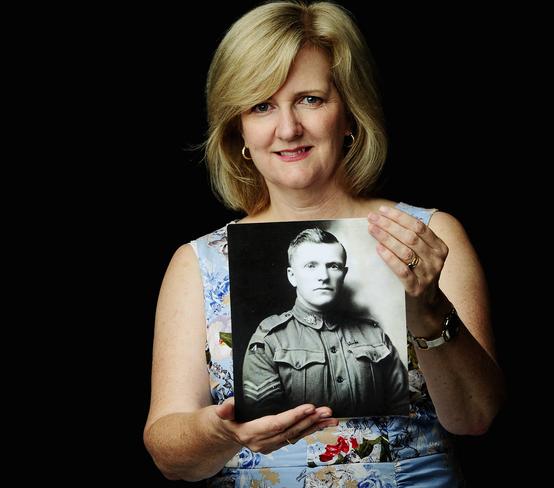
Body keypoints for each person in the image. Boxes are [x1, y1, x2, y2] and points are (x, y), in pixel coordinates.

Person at [144, 1, 505, 486]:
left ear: (350, 114)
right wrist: (220, 432)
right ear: (240, 132)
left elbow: (475, 419)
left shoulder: (427, 235)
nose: (288, 128)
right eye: (261, 105)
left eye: (310, 99)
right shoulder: (198, 262)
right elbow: (170, 456)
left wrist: (427, 306)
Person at [242, 227, 409, 419]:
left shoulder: (374, 334)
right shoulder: (270, 339)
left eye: (333, 266)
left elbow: (402, 409)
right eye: (311, 266)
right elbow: (264, 424)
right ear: (292, 276)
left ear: (344, 274)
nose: (324, 276)